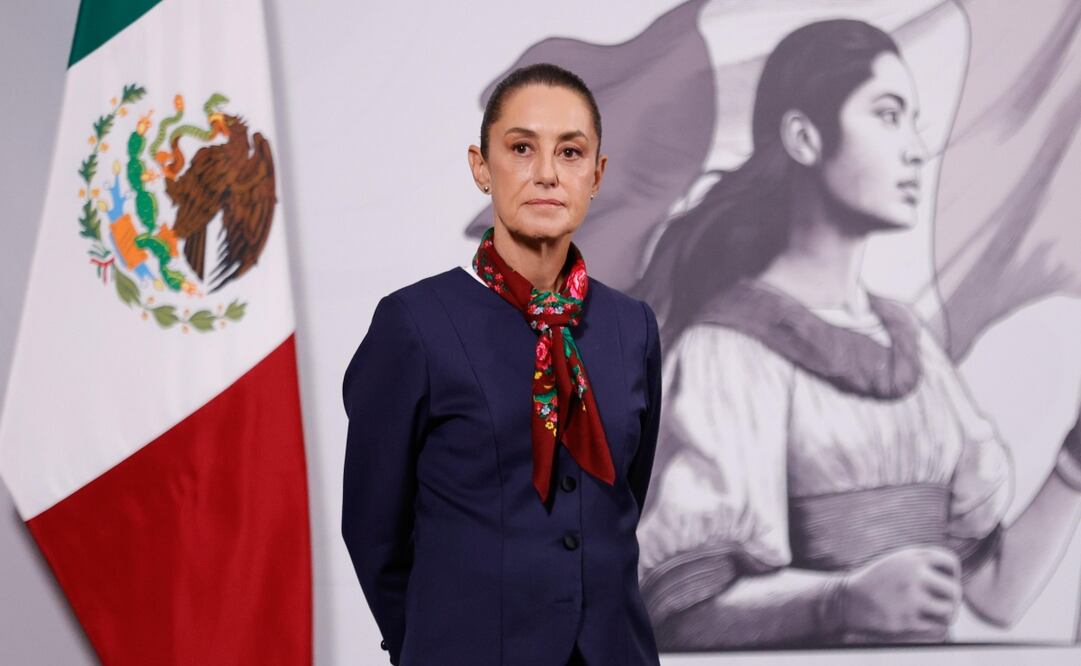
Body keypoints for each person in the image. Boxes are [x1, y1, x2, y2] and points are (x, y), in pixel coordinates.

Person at [633, 19, 1081, 649]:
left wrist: (1074, 461)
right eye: (888, 115)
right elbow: (679, 610)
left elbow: (995, 593)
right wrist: (840, 601)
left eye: (914, 121)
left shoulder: (910, 344)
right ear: (804, 137)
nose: (915, 149)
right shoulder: (727, 352)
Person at [342, 63, 663, 666]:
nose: (547, 173)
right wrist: (432, 644)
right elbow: (372, 528)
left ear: (596, 175)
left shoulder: (633, 327)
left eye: (570, 153)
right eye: (521, 148)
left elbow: (624, 498)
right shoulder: (414, 324)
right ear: (481, 167)